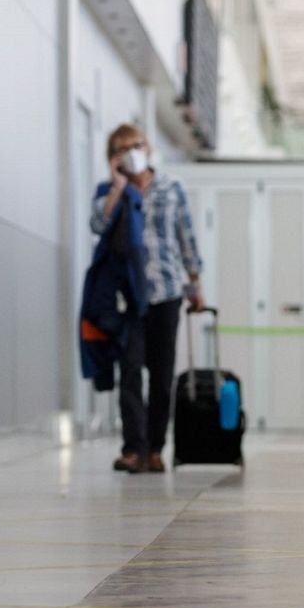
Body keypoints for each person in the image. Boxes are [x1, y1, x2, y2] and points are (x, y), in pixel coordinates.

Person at [92, 123, 205, 474]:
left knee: (161, 374)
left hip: (168, 292)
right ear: (114, 157)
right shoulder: (109, 191)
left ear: (148, 147)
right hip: (128, 295)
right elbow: (97, 225)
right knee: (129, 372)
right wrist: (118, 186)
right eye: (122, 148)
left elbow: (185, 236)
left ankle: (155, 448)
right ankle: (133, 449)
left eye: (137, 144)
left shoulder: (172, 187)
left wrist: (195, 283)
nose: (132, 151)